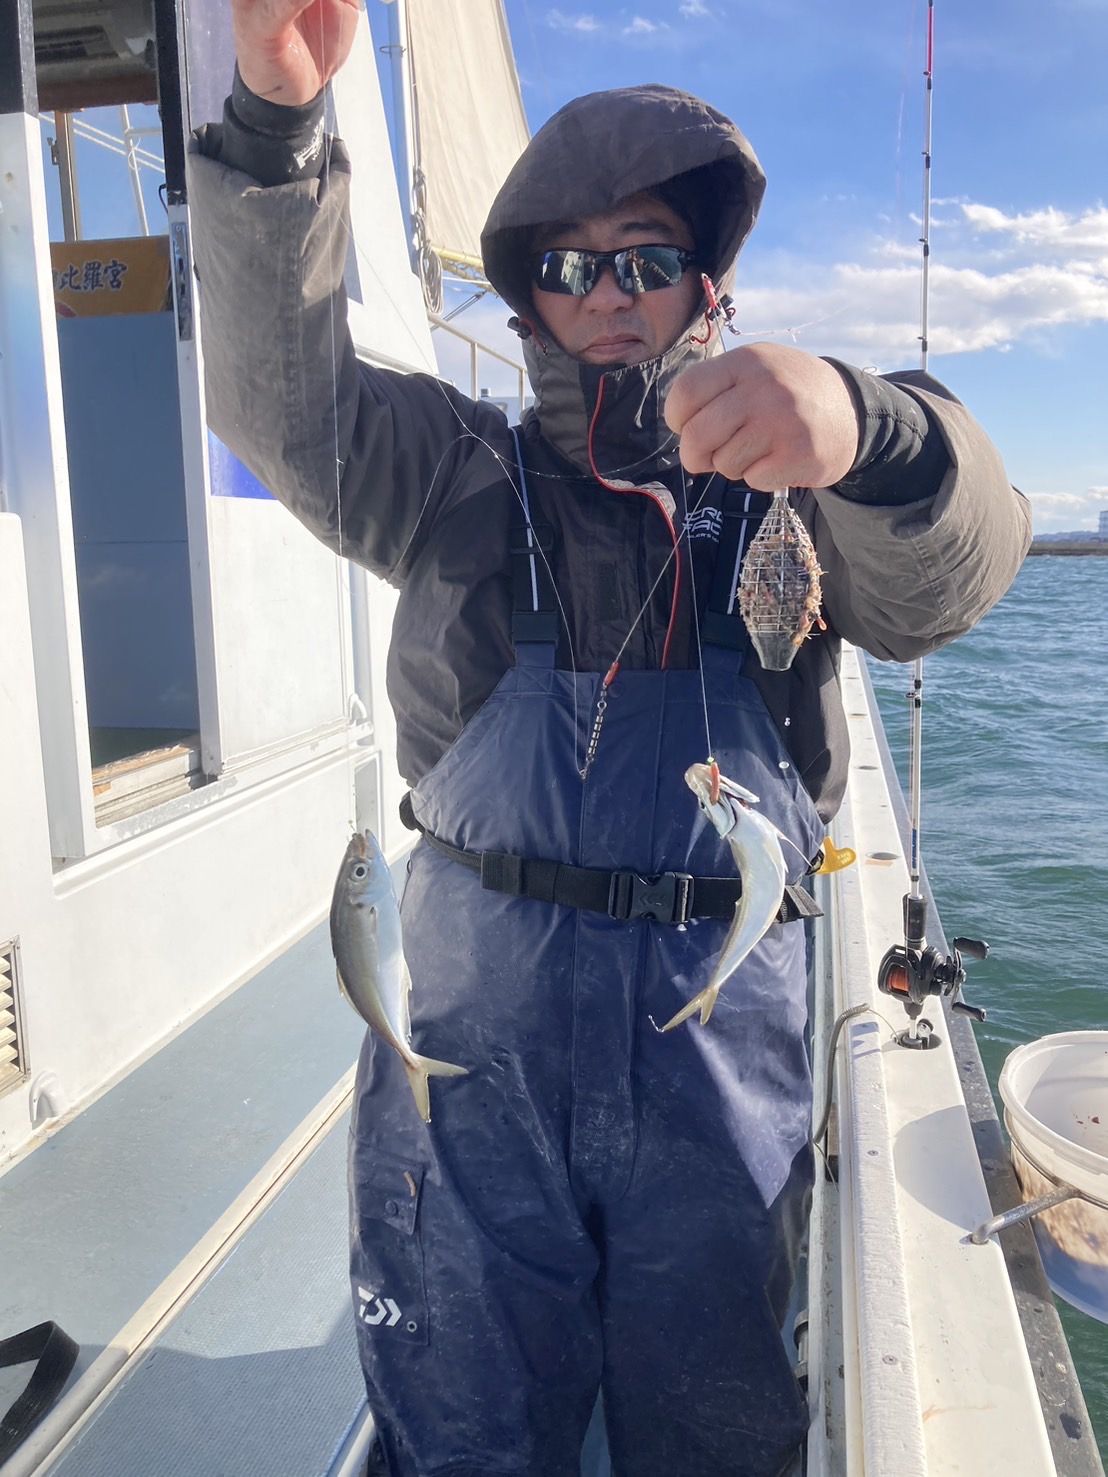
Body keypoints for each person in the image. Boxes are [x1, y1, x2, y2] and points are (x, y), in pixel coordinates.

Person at [187, 2, 1030, 1470]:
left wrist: (873, 432)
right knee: (462, 1411)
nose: (611, 294)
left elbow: (950, 580)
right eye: (571, 268)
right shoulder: (446, 470)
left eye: (646, 257)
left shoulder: (796, 474)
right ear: (530, 299)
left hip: (716, 1053)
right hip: (473, 1043)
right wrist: (274, 127)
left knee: (710, 1419)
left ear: (707, 280)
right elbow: (276, 400)